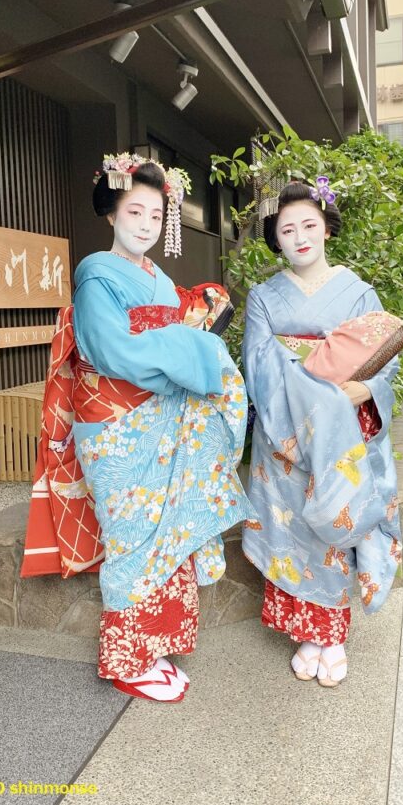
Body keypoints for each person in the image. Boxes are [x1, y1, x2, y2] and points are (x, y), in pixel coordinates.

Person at [22, 153, 253, 703]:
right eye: (135, 210)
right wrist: (202, 347)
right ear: (112, 213)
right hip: (116, 426)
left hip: (163, 416)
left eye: (156, 214)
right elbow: (113, 350)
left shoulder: (157, 277)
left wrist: (191, 333)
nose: (146, 223)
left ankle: (156, 646)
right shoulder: (96, 276)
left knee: (166, 533)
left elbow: (165, 337)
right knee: (132, 537)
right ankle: (125, 659)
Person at [242, 179, 403, 688]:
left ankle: (332, 634)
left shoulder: (358, 292)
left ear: (327, 229)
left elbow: (382, 361)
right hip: (286, 432)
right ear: (277, 239)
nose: (300, 236)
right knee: (293, 530)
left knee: (333, 526)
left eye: (309, 225)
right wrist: (304, 415)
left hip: (343, 433)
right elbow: (261, 366)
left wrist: (364, 390)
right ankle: (306, 634)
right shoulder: (264, 297)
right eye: (287, 229)